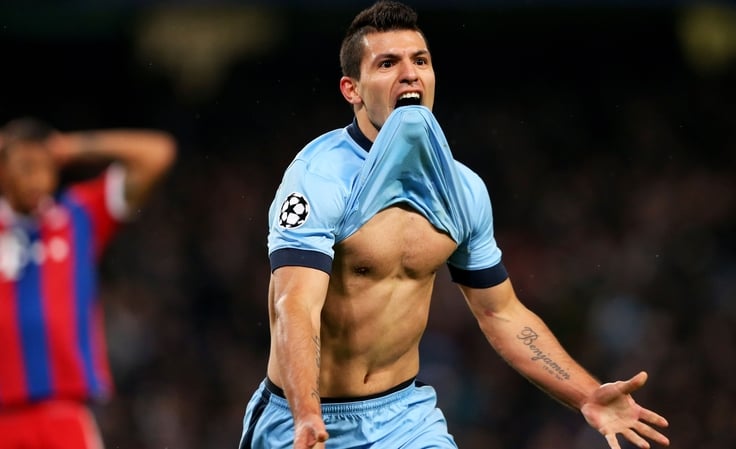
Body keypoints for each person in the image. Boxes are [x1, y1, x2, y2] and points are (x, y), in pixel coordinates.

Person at [240, 1, 670, 448]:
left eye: (420, 61)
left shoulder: (462, 190)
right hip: (304, 417)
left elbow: (500, 312)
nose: (409, 73)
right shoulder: (317, 178)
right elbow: (294, 307)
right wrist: (306, 414)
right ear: (352, 90)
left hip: (404, 418)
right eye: (388, 63)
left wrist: (586, 395)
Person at [0, 116, 176, 449]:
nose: (37, 178)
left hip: (63, 414)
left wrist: (71, 146)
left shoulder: (77, 215)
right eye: (25, 166)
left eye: (44, 166)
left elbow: (158, 153)